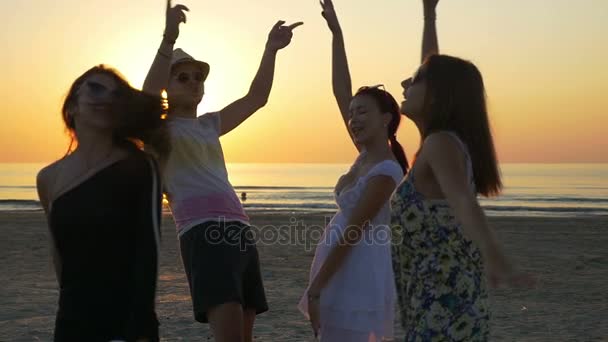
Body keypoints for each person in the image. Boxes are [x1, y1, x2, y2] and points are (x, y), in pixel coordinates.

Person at [142, 1, 302, 341]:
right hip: (203, 234)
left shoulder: (209, 124)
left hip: (240, 231)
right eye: (182, 77)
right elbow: (145, 97)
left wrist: (271, 50)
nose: (194, 82)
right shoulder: (157, 131)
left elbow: (257, 97)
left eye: (198, 77)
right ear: (168, 86)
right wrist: (169, 39)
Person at [391, 1, 535, 340]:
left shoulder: (440, 144)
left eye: (413, 81)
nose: (403, 84)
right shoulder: (442, 141)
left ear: (438, 95)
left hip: (443, 310)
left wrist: (496, 257)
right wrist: (428, 16)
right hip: (439, 303)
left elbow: (463, 203)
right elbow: (434, 69)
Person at [297, 1, 409, 340]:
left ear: (385, 119)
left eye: (362, 112)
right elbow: (339, 90)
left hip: (357, 268)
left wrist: (316, 289)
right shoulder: (364, 156)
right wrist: (337, 34)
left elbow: (353, 233)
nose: (353, 119)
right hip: (340, 267)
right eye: (351, 114)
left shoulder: (386, 169)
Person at [36, 65, 168, 341]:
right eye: (95, 87)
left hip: (125, 325)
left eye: (115, 94)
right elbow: (59, 255)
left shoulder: (140, 166)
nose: (105, 97)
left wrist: (140, 329)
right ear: (72, 106)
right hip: (71, 323)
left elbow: (148, 252)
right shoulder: (48, 178)